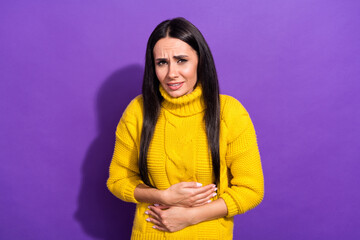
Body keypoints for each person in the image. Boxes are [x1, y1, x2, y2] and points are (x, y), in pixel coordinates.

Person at [107, 17, 264, 240]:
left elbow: (252, 190)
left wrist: (191, 216)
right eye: (162, 62)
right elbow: (117, 181)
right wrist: (163, 196)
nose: (171, 73)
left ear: (200, 61)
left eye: (181, 60)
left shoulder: (229, 112)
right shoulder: (138, 111)